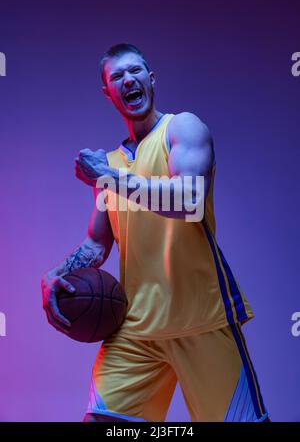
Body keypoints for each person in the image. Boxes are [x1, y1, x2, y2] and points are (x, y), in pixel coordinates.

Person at [41, 43, 269, 422]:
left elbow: (190, 200)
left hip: (203, 318)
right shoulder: (110, 165)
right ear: (108, 92)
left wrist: (111, 179)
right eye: (117, 76)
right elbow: (98, 242)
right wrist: (55, 275)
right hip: (136, 327)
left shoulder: (182, 128)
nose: (128, 79)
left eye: (135, 71)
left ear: (151, 78)